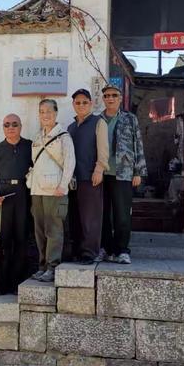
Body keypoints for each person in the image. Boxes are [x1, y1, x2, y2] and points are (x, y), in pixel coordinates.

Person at [100, 83, 147, 264]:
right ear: (103, 99)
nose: (110, 98)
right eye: (107, 96)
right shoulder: (98, 120)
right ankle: (106, 248)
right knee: (103, 214)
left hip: (124, 173)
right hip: (102, 174)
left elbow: (138, 145)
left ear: (120, 98)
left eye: (114, 95)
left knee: (122, 214)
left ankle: (122, 250)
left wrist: (138, 171)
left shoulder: (130, 119)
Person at [29, 99, 75, 282]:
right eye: (41, 111)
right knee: (39, 231)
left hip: (55, 191)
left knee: (54, 230)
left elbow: (70, 163)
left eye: (48, 111)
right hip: (37, 190)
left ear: (55, 113)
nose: (45, 115)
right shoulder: (37, 137)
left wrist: (63, 187)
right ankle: (42, 266)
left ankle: (53, 267)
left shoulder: (64, 137)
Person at [0, 114, 32, 294]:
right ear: (2, 127)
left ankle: (19, 284)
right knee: (4, 242)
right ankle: (3, 286)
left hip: (23, 194)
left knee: (22, 240)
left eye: (14, 124)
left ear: (21, 126)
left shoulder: (30, 146)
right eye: (7, 125)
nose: (11, 127)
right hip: (3, 197)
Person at [68, 89, 109, 265]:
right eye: (78, 103)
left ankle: (89, 252)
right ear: (73, 105)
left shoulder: (98, 122)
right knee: (75, 216)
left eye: (85, 102)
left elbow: (103, 149)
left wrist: (99, 169)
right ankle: (77, 250)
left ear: (91, 104)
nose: (81, 105)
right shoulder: (70, 127)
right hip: (73, 178)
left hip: (91, 176)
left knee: (90, 217)